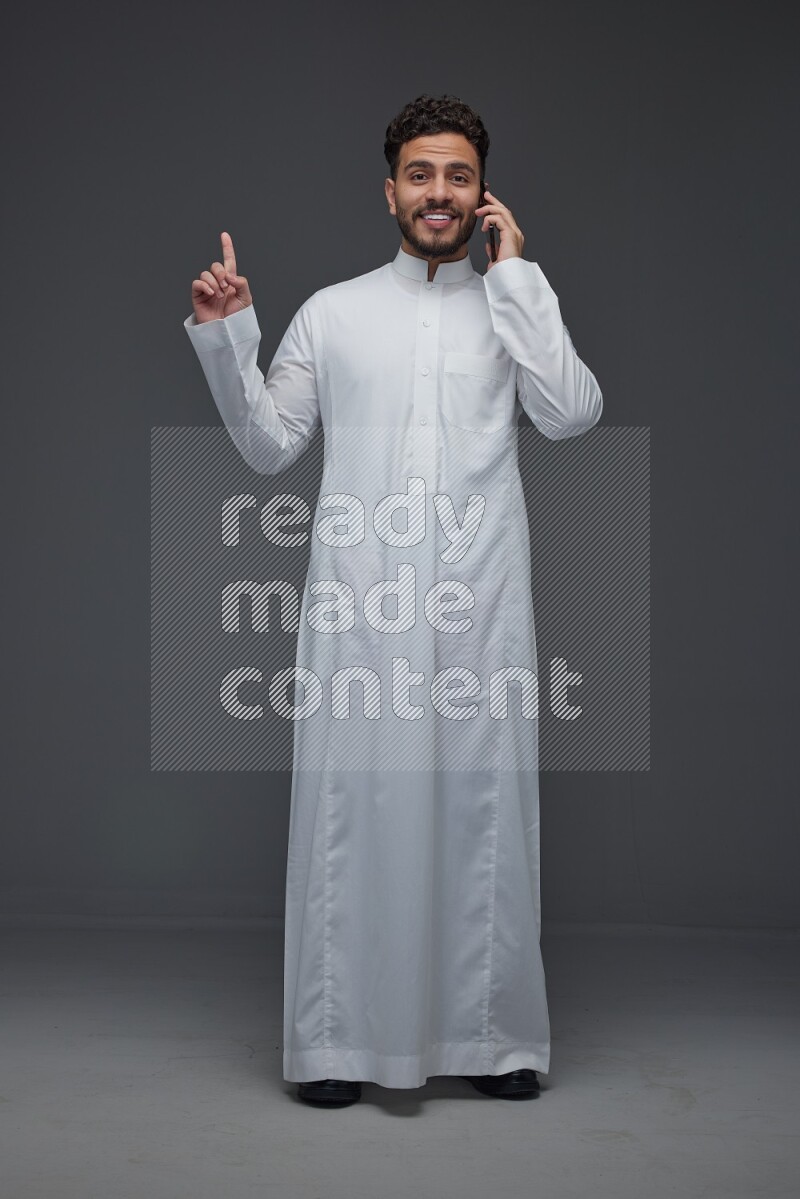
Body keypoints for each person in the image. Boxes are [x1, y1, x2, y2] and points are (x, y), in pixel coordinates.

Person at [184, 94, 603, 1107]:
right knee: (352, 810)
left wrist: (517, 278)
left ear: (481, 194)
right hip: (360, 608)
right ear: (389, 190)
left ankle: (493, 1036)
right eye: (420, 174)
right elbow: (269, 444)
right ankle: (334, 1041)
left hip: (478, 604)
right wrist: (225, 334)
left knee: (481, 806)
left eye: (457, 176)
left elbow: (572, 412)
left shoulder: (507, 305)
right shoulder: (334, 312)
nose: (438, 193)